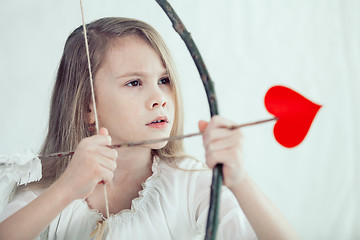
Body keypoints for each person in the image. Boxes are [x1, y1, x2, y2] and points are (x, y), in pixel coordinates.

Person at [0, 17, 298, 240]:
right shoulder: (48, 198)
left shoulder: (191, 184)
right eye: (134, 82)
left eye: (164, 80)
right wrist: (67, 189)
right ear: (89, 105)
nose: (159, 99)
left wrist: (239, 180)